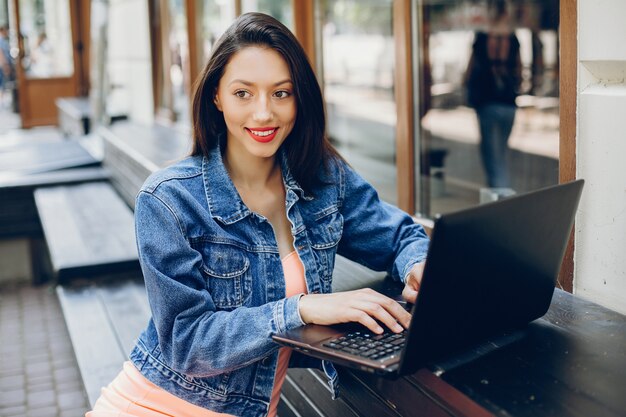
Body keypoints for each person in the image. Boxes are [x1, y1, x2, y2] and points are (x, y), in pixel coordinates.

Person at [86, 12, 429, 417]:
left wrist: (417, 266)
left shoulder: (323, 178)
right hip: (156, 406)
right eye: (243, 93)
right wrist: (301, 308)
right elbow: (186, 342)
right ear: (216, 96)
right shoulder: (169, 199)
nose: (264, 114)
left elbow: (400, 235)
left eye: (281, 93)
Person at [466, 2, 521, 188]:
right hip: (509, 105)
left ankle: (501, 205)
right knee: (501, 157)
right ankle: (501, 200)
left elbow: (470, 71)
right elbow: (519, 73)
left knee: (493, 163)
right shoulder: (513, 40)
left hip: (487, 105)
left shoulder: (481, 39)